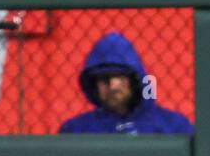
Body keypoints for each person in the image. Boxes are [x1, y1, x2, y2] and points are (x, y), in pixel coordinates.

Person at [58, 31, 193, 135]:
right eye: (104, 78)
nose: (113, 85)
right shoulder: (77, 129)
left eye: (119, 76)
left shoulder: (174, 126)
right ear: (93, 85)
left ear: (135, 80)